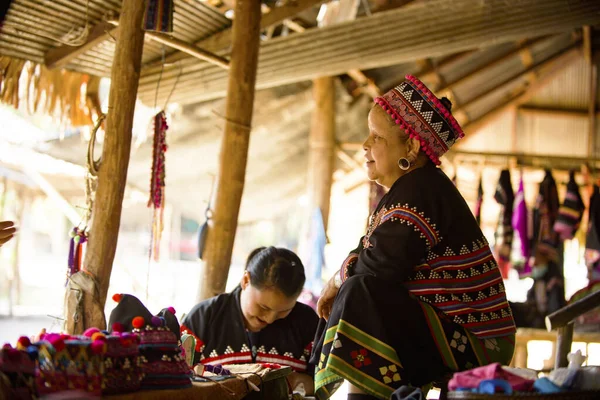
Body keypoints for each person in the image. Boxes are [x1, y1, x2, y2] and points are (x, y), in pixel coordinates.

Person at [312, 75, 516, 400]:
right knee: (355, 289)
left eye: (376, 136)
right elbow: (367, 250)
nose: (365, 144)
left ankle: (327, 386)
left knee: (360, 291)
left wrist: (338, 281)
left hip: (477, 340)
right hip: (452, 330)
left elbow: (377, 267)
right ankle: (313, 379)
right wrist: (337, 281)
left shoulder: (422, 189)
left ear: (411, 146)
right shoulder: (405, 191)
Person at [181, 246, 319, 394]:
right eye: (263, 307)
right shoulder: (203, 319)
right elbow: (177, 380)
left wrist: (297, 383)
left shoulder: (307, 322)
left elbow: (324, 382)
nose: (270, 319)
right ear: (246, 280)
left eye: (284, 311)